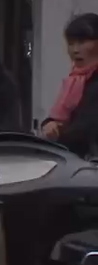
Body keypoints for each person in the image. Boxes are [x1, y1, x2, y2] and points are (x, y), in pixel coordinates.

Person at [43, 14, 98, 157]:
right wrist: (50, 124)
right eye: (71, 43)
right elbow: (64, 116)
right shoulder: (75, 81)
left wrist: (59, 133)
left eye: (82, 42)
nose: (75, 50)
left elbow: (87, 128)